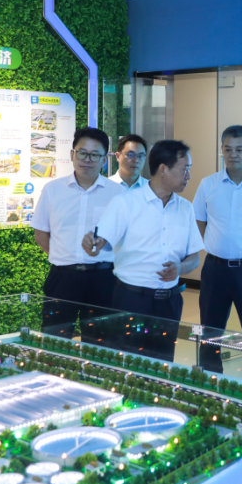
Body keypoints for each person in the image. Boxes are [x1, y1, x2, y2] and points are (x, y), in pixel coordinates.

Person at [83, 140, 203, 362]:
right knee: (128, 364)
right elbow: (97, 245)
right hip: (131, 300)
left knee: (162, 364)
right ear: (163, 168)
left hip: (169, 303)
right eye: (184, 169)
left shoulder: (185, 208)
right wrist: (91, 243)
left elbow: (194, 257)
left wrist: (180, 268)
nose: (189, 175)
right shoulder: (125, 203)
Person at [30, 127, 124, 343]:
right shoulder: (53, 189)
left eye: (95, 155)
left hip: (103, 278)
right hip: (62, 278)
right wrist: (64, 256)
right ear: (72, 155)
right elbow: (41, 234)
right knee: (55, 339)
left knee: (101, 342)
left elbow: (125, 239)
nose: (87, 160)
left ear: (104, 160)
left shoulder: (118, 194)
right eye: (82, 153)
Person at [193, 125, 242, 371]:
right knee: (209, 332)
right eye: (228, 149)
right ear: (221, 150)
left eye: (240, 149)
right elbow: (199, 222)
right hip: (215, 269)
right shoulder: (208, 184)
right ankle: (209, 382)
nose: (233, 154)